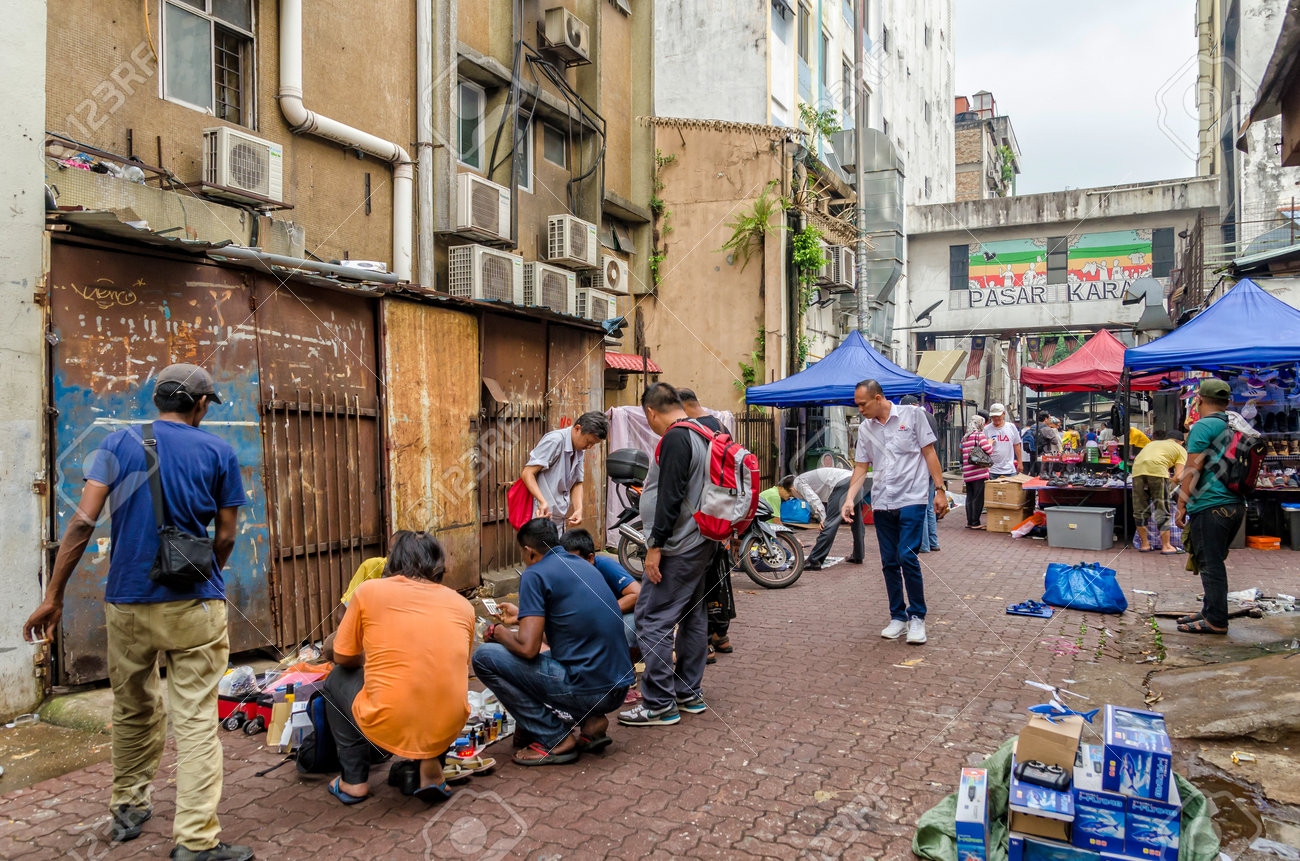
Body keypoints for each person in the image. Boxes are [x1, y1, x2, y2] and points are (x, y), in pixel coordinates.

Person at [22, 364, 252, 861]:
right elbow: (227, 535)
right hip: (194, 606)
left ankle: (128, 805)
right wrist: (208, 572)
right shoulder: (219, 452)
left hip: (126, 602)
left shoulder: (114, 444)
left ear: (157, 400)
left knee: (132, 708)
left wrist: (55, 595)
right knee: (194, 719)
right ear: (199, 405)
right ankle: (194, 841)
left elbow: (83, 522)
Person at [320, 531, 474, 805]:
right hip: (450, 723)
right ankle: (432, 768)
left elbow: (342, 656)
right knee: (432, 683)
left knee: (335, 680)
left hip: (388, 720)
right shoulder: (463, 605)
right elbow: (457, 664)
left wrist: (370, 661)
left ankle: (353, 780)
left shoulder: (369, 591)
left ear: (392, 561)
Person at [473, 519, 634, 763]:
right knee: (548, 657)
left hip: (591, 690)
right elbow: (566, 634)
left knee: (485, 658)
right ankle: (590, 720)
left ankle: (555, 737)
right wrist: (521, 618)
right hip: (617, 688)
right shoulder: (584, 565)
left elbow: (528, 649)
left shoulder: (534, 574)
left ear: (528, 551)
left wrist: (499, 633)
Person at [619, 383, 717, 726]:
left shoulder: (675, 437)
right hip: (701, 541)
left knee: (652, 618)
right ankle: (688, 693)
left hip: (678, 545)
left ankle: (659, 703)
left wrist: (654, 547)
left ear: (650, 412)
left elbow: (670, 497)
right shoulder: (704, 430)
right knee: (692, 615)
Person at [841, 379, 948, 645]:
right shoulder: (866, 429)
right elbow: (862, 467)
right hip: (881, 502)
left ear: (878, 398)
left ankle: (917, 618)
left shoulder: (913, 415)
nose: (860, 410)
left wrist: (940, 489)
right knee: (889, 562)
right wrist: (849, 499)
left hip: (912, 498)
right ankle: (897, 617)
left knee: (907, 557)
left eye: (862, 404)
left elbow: (929, 452)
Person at [1175, 379, 1251, 635]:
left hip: (1211, 505)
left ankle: (1216, 620)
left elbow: (1192, 468)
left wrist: (1181, 503)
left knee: (1210, 564)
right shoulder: (1236, 425)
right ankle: (1209, 611)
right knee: (1213, 561)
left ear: (1198, 400)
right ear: (1228, 402)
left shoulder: (1203, 425)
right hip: (1235, 505)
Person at [677, 387, 734, 657]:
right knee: (719, 576)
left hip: (697, 518)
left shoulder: (689, 430)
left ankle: (704, 645)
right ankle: (720, 635)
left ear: (683, 406)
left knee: (696, 581)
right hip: (720, 516)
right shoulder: (720, 426)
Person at [520, 411, 609, 532]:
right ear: (577, 428)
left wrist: (578, 509)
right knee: (540, 549)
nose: (589, 447)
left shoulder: (579, 449)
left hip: (559, 517)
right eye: (588, 442)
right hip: (541, 514)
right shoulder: (555, 441)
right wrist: (542, 501)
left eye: (593, 444)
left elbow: (577, 482)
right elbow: (527, 473)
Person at [560, 528, 641, 653]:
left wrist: (601, 612)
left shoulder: (605, 565)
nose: (569, 567)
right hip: (595, 620)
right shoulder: (563, 574)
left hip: (626, 614)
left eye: (574, 561)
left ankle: (627, 669)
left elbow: (637, 594)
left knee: (626, 630)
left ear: (590, 558)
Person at [795, 466, 866, 570]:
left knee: (830, 523)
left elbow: (813, 499)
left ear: (791, 488)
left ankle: (815, 560)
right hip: (856, 483)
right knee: (857, 521)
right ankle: (858, 555)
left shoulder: (798, 482)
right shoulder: (808, 478)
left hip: (844, 484)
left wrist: (823, 517)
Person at [1132, 430, 1188, 554]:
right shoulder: (1180, 449)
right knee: (1162, 509)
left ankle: (1145, 545)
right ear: (1181, 442)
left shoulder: (1152, 444)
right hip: (1157, 471)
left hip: (1137, 471)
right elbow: (1179, 477)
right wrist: (1170, 485)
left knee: (1140, 509)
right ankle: (1166, 546)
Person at [900, 396, 942, 553]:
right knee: (929, 507)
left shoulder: (915, 417)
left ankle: (923, 545)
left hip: (921, 468)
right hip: (931, 466)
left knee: (921, 506)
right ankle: (933, 541)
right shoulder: (930, 416)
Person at [960, 416, 994, 529]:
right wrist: (990, 443)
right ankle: (975, 523)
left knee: (970, 497)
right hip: (978, 472)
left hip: (967, 472)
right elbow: (988, 450)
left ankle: (970, 521)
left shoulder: (965, 437)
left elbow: (961, 450)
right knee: (978, 498)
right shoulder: (979, 435)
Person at [985, 403, 1023, 478]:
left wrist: (1020, 462)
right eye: (993, 416)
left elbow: (1017, 445)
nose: (996, 418)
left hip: (1009, 470)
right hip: (992, 470)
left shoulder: (1011, 427)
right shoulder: (986, 429)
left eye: (998, 416)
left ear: (1003, 414)